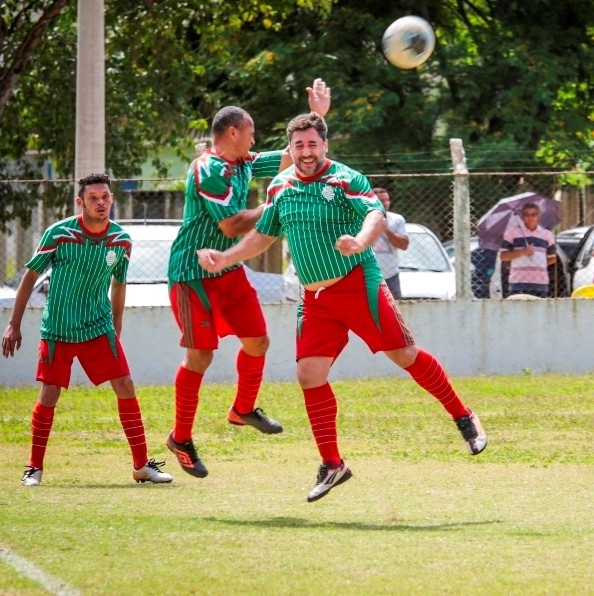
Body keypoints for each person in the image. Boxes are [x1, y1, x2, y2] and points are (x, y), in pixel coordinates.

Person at [196, 112, 487, 503]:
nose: (306, 151)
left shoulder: (346, 178)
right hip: (315, 298)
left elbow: (375, 215)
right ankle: (333, 464)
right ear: (291, 148)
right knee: (308, 373)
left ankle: (463, 415)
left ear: (325, 146)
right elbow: (262, 236)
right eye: (299, 145)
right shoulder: (280, 186)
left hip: (357, 284)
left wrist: (360, 242)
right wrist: (226, 257)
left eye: (313, 144)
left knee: (403, 354)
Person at [164, 80, 330, 478]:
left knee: (258, 340)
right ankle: (180, 438)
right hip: (193, 271)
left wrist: (318, 116)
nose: (256, 137)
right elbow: (231, 226)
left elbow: (297, 157)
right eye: (252, 130)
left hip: (228, 268)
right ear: (233, 132)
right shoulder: (209, 169)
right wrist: (277, 202)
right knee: (200, 356)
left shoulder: (244, 162)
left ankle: (242, 409)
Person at [0, 173, 173, 487]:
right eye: (93, 198)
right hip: (59, 328)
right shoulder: (59, 234)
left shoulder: (121, 239)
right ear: (80, 203)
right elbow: (29, 277)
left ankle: (141, 466)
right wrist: (14, 324)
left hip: (98, 326)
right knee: (50, 392)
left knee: (125, 385)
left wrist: (116, 326)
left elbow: (119, 283)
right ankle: (33, 468)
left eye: (105, 196)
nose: (101, 202)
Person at [499, 203, 558, 298]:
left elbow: (553, 258)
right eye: (526, 215)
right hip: (518, 282)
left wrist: (539, 263)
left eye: (534, 214)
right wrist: (523, 252)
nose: (530, 217)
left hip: (540, 282)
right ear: (522, 217)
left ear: (539, 216)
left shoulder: (547, 234)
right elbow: (503, 256)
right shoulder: (511, 233)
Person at [370, 187, 409, 299]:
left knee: (394, 310)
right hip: (367, 275)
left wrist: (385, 228)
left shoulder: (397, 219)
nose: (385, 203)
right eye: (381, 201)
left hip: (390, 276)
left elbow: (403, 245)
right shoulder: (359, 219)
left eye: (387, 200)